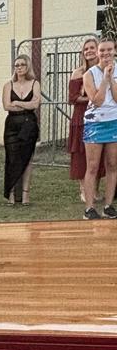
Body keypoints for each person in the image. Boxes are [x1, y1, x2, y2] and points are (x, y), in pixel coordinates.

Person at [82, 37, 117, 220]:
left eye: (109, 50)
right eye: (102, 50)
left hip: (114, 121)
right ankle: (89, 208)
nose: (106, 54)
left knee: (112, 164)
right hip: (95, 122)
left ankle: (109, 205)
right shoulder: (89, 74)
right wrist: (104, 79)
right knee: (93, 166)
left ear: (114, 50)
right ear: (97, 53)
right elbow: (96, 100)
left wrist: (111, 79)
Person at [68, 38, 104, 203]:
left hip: (102, 117)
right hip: (82, 118)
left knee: (99, 155)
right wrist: (92, 97)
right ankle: (84, 189)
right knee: (82, 154)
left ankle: (95, 189)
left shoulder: (105, 71)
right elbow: (73, 98)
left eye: (92, 48)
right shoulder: (77, 73)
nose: (89, 51)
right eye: (86, 49)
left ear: (98, 50)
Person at [2, 56, 41, 205]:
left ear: (28, 66)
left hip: (29, 126)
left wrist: (18, 102)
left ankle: (25, 194)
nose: (19, 67)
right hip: (12, 125)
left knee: (27, 159)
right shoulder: (8, 85)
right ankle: (11, 193)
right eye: (16, 65)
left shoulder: (34, 83)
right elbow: (7, 106)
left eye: (22, 64)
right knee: (11, 159)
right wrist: (27, 104)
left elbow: (36, 104)